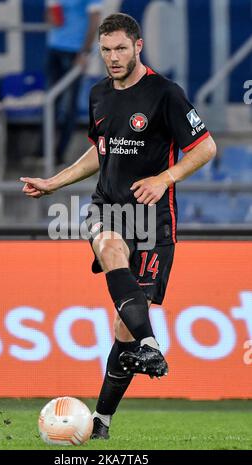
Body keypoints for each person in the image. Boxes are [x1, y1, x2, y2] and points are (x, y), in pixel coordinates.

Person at [21, 13, 216, 439]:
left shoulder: (165, 94)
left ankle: (102, 421)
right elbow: (100, 151)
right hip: (108, 208)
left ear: (138, 46)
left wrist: (165, 178)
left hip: (155, 219)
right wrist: (55, 182)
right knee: (108, 245)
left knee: (124, 326)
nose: (112, 57)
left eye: (120, 49)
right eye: (105, 50)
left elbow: (206, 147)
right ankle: (151, 345)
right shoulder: (98, 95)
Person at [45, 0, 102, 165]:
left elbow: (95, 20)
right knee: (51, 103)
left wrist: (84, 52)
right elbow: (52, 20)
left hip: (75, 52)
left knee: (69, 105)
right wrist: (52, 11)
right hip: (54, 48)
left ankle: (59, 153)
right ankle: (44, 151)